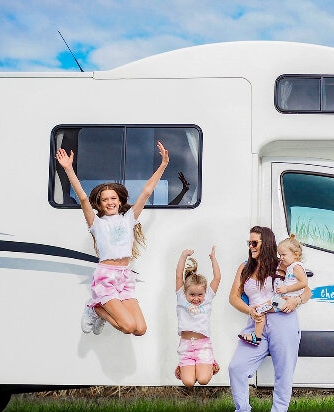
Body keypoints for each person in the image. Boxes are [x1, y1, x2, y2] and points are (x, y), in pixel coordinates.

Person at [55, 141, 169, 336]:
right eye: (105, 199)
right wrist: (68, 169)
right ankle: (95, 308)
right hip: (106, 276)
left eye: (113, 198)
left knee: (140, 329)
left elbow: (146, 192)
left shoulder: (129, 219)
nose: (110, 202)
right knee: (127, 326)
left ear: (120, 200)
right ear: (99, 204)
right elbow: (83, 198)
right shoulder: (96, 224)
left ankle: (99, 311)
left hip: (125, 276)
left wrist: (163, 165)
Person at [227, 226, 311, 412]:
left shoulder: (281, 264)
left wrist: (296, 300)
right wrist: (250, 310)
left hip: (283, 321)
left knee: (284, 372)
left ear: (266, 243)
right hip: (256, 322)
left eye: (254, 243)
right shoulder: (245, 267)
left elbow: (307, 289)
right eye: (249, 243)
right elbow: (233, 298)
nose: (251, 247)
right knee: (237, 367)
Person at [238, 234, 307, 346]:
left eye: (284, 254)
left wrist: (286, 289)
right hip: (282, 299)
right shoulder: (289, 266)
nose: (281, 257)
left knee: (260, 310)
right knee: (261, 310)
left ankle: (256, 337)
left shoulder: (296, 267)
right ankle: (257, 336)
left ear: (295, 254)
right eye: (280, 255)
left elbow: (304, 284)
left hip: (285, 300)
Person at [173, 247, 221, 387]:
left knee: (203, 380)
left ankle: (210, 364)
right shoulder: (180, 297)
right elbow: (178, 275)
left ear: (205, 293)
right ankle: (185, 368)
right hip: (186, 346)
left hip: (203, 346)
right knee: (188, 382)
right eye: (192, 295)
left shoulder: (208, 298)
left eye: (200, 295)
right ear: (185, 292)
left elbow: (217, 277)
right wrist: (183, 256)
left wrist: (213, 258)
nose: (196, 298)